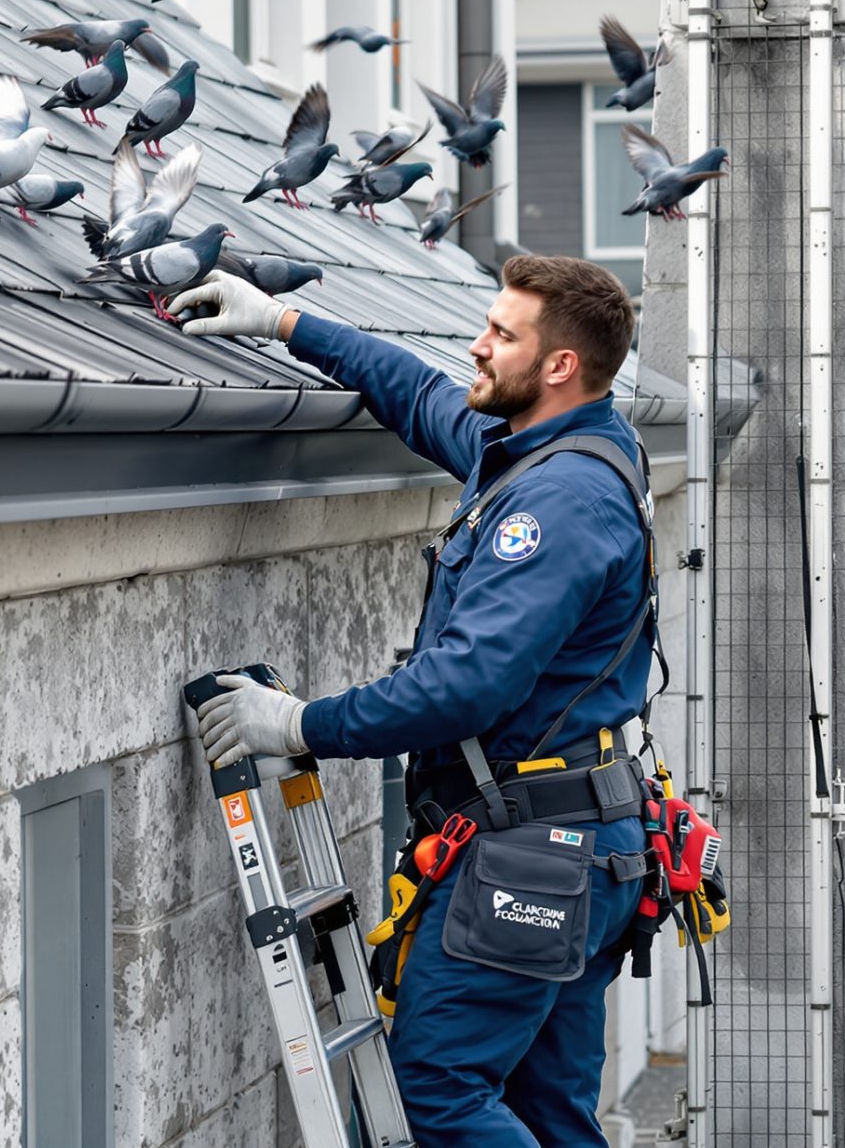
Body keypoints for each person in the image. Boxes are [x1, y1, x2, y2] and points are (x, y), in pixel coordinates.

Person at [172, 254, 656, 1148]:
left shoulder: (559, 500)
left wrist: (299, 724)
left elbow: (466, 686)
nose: (479, 344)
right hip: (579, 844)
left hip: (533, 859)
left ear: (558, 366)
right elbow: (425, 397)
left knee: (434, 1095)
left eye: (502, 335)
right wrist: (283, 323)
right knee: (551, 1115)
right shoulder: (551, 448)